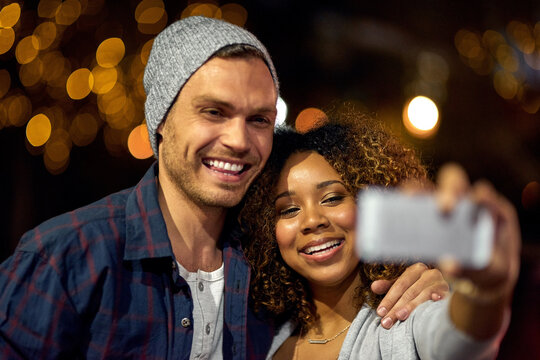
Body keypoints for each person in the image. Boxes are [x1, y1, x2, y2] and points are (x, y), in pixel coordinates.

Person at [0, 17, 446, 359]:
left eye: (258, 120)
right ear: (159, 121)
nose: (238, 140)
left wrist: (435, 282)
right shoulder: (65, 259)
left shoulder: (270, 262)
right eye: (214, 112)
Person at [240, 109, 520, 359]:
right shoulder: (261, 337)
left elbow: (457, 341)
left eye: (333, 198)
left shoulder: (404, 317)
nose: (312, 221)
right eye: (288, 210)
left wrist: (485, 291)